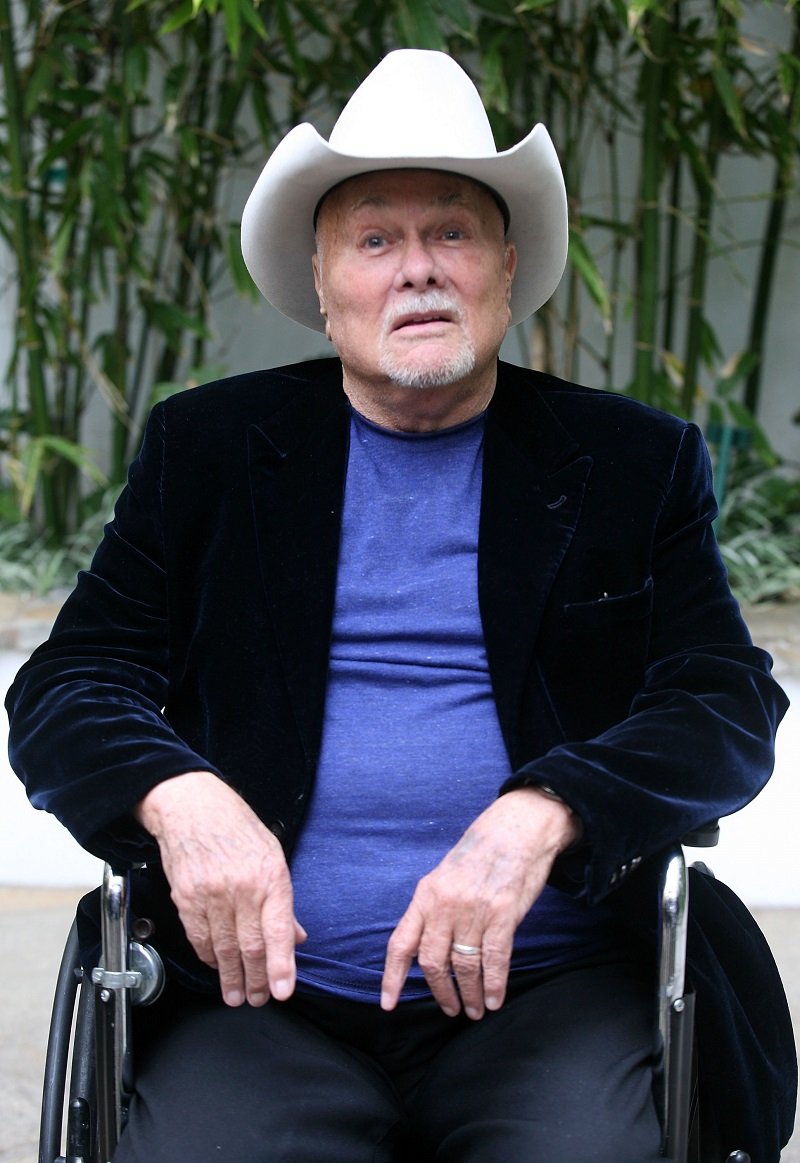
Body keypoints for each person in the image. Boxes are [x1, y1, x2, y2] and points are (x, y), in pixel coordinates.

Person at [5, 49, 793, 1162]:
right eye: (375, 239)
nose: (415, 269)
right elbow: (67, 684)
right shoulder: (211, 449)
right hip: (255, 998)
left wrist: (546, 809)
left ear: (505, 269)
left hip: (551, 991)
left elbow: (721, 698)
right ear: (322, 288)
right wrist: (180, 797)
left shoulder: (629, 460)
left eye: (451, 234)